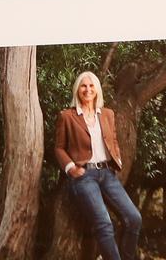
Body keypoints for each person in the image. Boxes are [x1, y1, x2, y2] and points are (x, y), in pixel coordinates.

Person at [52, 71, 142, 260]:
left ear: (97, 90)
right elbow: (59, 148)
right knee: (104, 224)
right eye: (84, 86)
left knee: (134, 218)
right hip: (84, 177)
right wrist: (71, 168)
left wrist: (116, 158)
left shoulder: (107, 114)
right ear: (78, 90)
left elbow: (113, 140)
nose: (88, 89)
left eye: (91, 86)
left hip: (107, 174)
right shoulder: (67, 116)